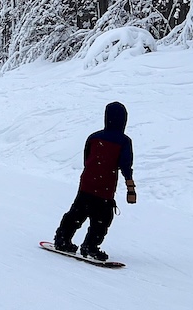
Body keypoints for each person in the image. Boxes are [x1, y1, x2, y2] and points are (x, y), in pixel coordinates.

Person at [53, 101, 137, 262]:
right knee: (102, 219)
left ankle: (62, 240)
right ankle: (90, 247)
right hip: (105, 186)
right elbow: (125, 165)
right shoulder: (124, 141)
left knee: (77, 212)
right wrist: (130, 185)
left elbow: (87, 159)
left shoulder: (94, 137)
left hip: (87, 182)